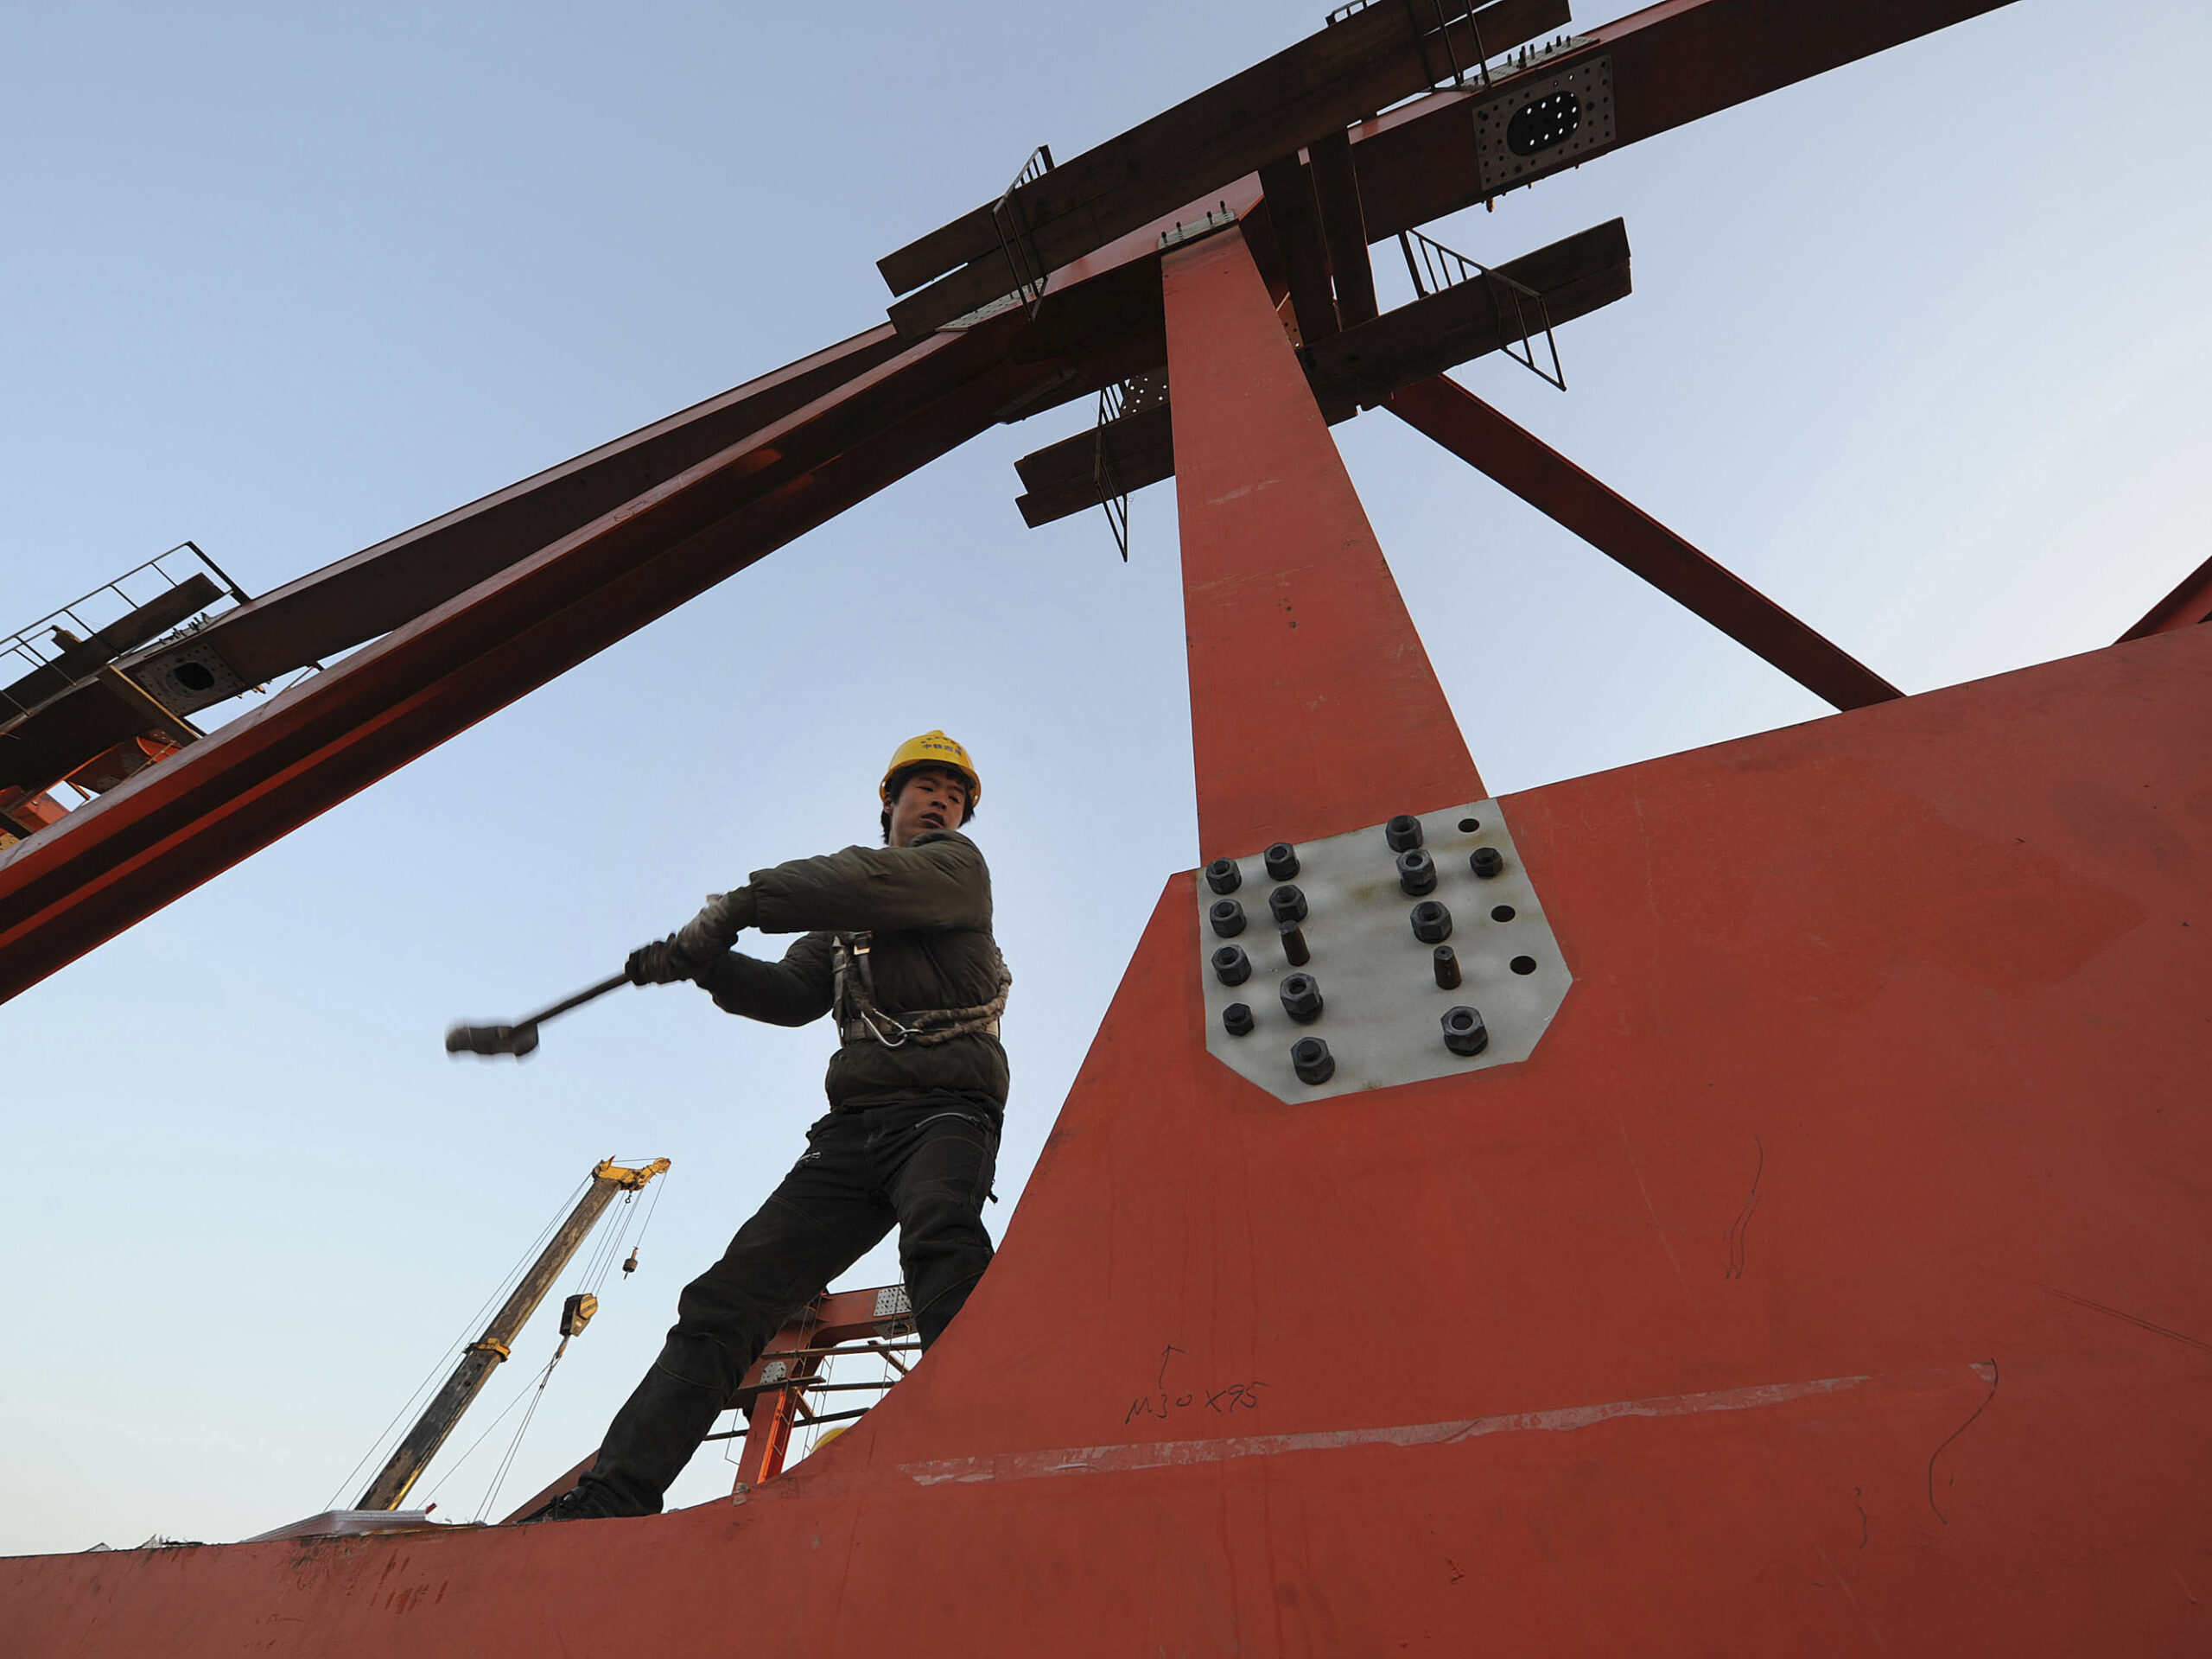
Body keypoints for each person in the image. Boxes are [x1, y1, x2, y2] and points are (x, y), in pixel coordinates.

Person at [532, 731, 1010, 1521]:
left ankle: (989, 1446)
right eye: (926, 788)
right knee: (726, 1302)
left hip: (946, 1112)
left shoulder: (955, 871)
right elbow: (790, 995)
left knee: (940, 1236)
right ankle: (612, 1496)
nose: (942, 804)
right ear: (890, 801)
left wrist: (737, 908)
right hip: (854, 1131)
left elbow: (864, 879)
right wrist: (706, 963)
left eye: (955, 797)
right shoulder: (846, 927)